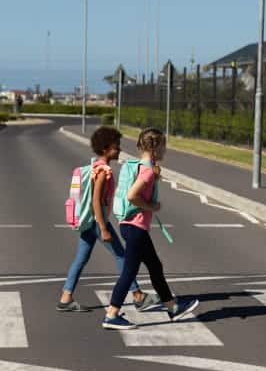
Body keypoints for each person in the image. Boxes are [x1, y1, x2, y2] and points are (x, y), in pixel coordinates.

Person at [102, 127, 198, 330]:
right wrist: (151, 206)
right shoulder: (146, 172)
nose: (166, 150)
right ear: (155, 148)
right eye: (164, 146)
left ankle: (172, 307)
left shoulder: (139, 166)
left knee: (155, 266)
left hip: (129, 225)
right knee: (130, 272)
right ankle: (111, 314)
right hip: (135, 227)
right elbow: (132, 196)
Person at [58, 126, 160, 312]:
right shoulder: (103, 172)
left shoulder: (94, 166)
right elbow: (96, 201)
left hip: (90, 221)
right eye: (116, 146)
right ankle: (138, 296)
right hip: (98, 221)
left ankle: (66, 297)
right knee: (121, 255)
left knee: (81, 258)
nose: (119, 149)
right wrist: (104, 228)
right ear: (105, 149)